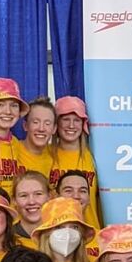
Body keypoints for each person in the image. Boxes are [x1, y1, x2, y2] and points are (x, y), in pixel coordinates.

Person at [53, 97, 101, 226]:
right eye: (66, 119)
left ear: (83, 124)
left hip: (91, 234)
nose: (71, 125)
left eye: (77, 120)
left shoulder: (95, 157)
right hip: (56, 232)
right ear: (56, 123)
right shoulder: (46, 155)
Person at [17, 96, 58, 181]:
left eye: (47, 123)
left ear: (54, 129)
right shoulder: (12, 150)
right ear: (25, 126)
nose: (41, 128)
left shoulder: (55, 156)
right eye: (35, 122)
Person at [11, 169, 50, 241]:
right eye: (23, 195)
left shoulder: (61, 236)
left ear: (49, 197)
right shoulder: (7, 239)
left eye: (38, 194)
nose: (31, 202)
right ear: (14, 201)